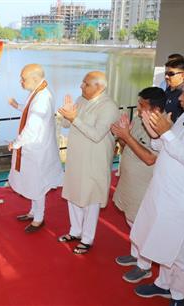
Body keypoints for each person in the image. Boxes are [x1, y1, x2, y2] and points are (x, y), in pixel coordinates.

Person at [131, 75, 184, 306]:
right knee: (164, 243)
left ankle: (179, 297)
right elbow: (166, 147)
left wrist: (167, 133)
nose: (180, 98)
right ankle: (163, 285)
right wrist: (157, 134)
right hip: (164, 195)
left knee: (183, 256)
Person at [57, 71, 119, 254]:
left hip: (94, 159)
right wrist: (66, 113)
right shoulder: (81, 99)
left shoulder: (109, 107)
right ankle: (75, 231)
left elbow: (96, 134)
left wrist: (74, 118)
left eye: (86, 84)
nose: (81, 86)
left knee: (90, 198)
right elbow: (68, 125)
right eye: (82, 83)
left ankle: (87, 238)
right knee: (73, 193)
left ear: (99, 87)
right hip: (76, 157)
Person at [111, 87, 166, 282]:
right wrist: (121, 134)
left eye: (142, 105)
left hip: (144, 187)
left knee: (142, 225)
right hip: (129, 183)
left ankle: (145, 266)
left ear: (156, 109)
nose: (139, 108)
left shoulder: (161, 128)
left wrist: (126, 136)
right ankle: (136, 254)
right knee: (131, 221)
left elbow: (150, 159)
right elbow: (128, 147)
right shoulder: (140, 121)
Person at [7, 64, 63, 233]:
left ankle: (39, 219)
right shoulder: (39, 91)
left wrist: (15, 144)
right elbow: (29, 111)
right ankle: (33, 212)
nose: (20, 82)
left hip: (37, 149)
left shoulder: (42, 98)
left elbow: (32, 127)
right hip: (35, 148)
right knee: (32, 181)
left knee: (37, 183)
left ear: (35, 79)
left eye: (23, 79)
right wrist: (18, 106)